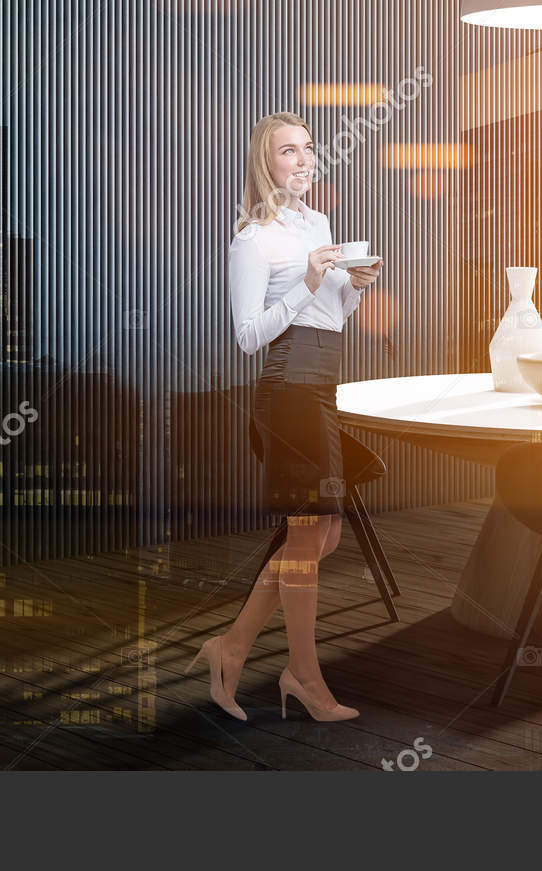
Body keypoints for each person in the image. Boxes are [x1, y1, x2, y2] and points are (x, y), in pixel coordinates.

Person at [189, 111, 384, 722]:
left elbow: (333, 318)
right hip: (287, 392)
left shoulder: (319, 224)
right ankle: (302, 675)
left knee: (321, 535)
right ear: (265, 164)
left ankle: (233, 646)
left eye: (306, 149)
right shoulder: (251, 240)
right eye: (286, 152)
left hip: (321, 384)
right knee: (308, 535)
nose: (302, 161)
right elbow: (249, 338)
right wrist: (305, 281)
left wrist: (354, 286)